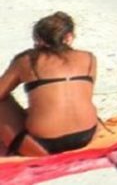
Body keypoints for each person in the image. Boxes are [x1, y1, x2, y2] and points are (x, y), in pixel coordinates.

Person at [0, 12, 99, 156]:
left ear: (37, 38)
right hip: (86, 136)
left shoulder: (27, 60)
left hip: (42, 144)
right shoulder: (89, 58)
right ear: (69, 37)